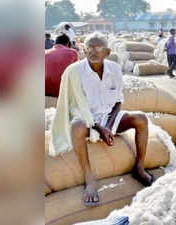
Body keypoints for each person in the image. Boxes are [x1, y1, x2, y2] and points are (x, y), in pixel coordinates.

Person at [50, 32, 154, 207]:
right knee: (76, 126)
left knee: (141, 119)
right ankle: (89, 178)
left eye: (98, 48)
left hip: (109, 116)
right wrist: (100, 128)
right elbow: (77, 107)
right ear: (83, 50)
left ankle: (139, 168)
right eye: (89, 47)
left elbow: (118, 100)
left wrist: (110, 124)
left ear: (107, 52)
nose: (93, 51)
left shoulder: (114, 69)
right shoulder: (74, 72)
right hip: (85, 117)